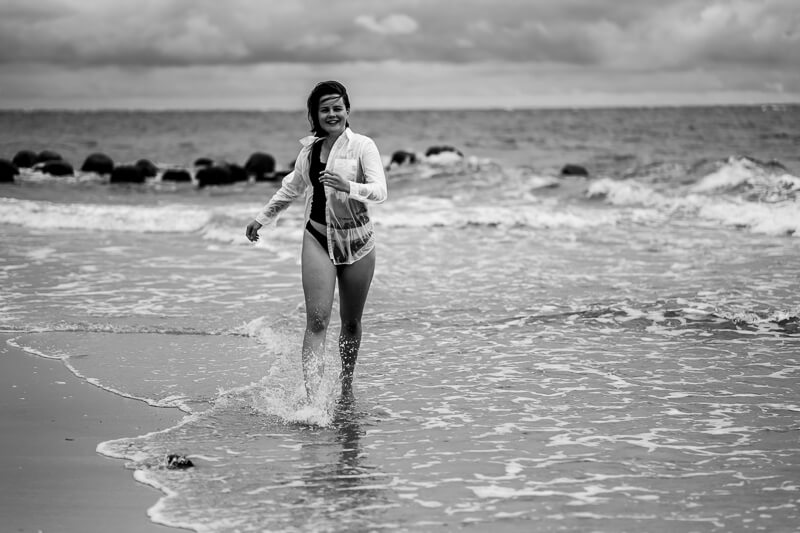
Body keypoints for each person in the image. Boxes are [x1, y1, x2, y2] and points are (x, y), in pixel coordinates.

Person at [245, 81, 387, 399]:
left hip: (357, 243)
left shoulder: (363, 146)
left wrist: (348, 184)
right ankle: (313, 402)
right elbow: (292, 188)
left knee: (350, 323)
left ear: (347, 110)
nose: (332, 113)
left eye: (338, 107)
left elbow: (380, 191)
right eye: (325, 109)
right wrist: (262, 219)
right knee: (318, 320)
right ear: (316, 114)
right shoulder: (309, 151)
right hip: (317, 238)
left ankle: (346, 388)